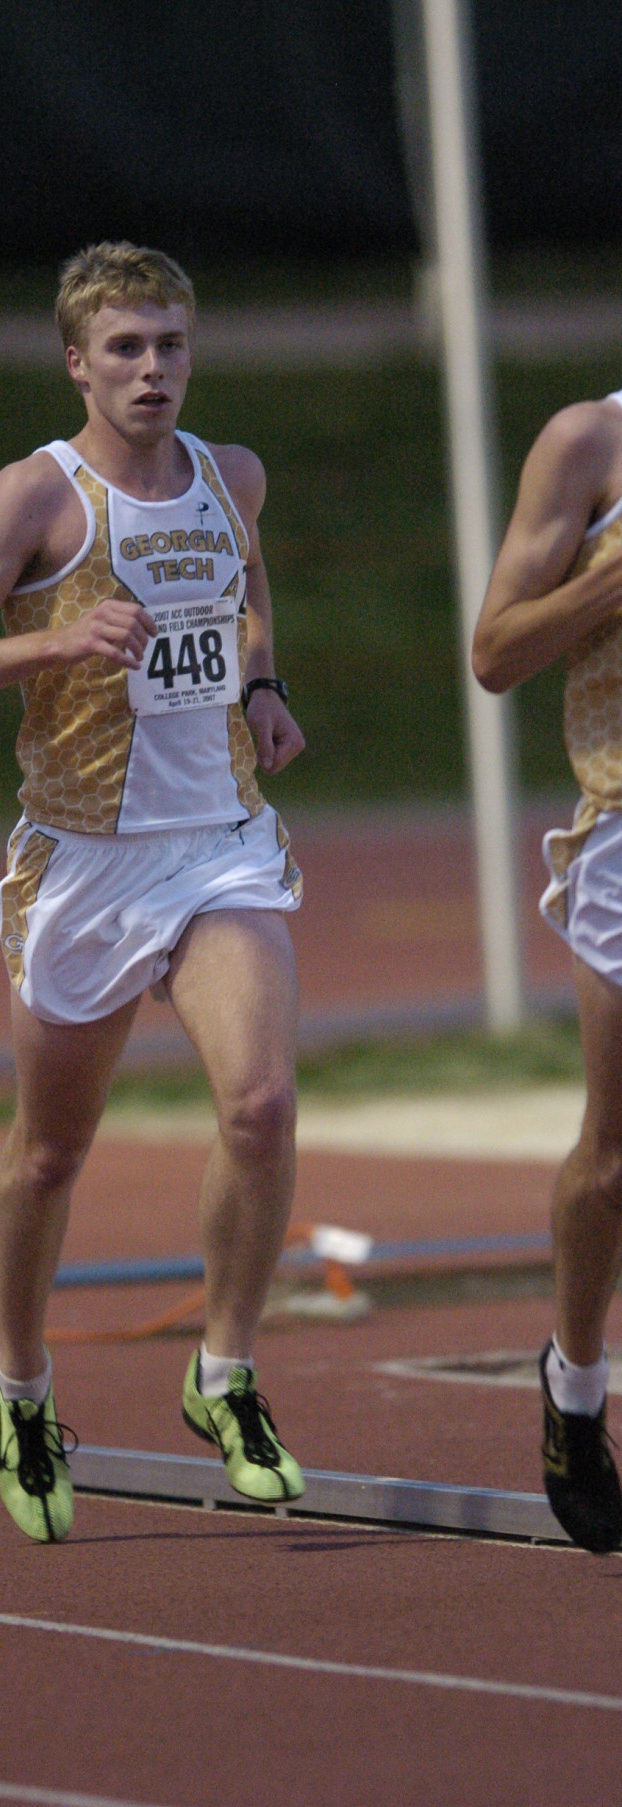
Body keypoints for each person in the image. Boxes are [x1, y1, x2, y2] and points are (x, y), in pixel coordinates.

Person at [0, 242, 306, 1542]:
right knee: (53, 1147)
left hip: (221, 840)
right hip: (82, 857)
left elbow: (245, 597)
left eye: (170, 345)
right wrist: (55, 636)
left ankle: (224, 1370)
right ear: (78, 363)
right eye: (124, 349)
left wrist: (261, 685)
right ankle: (22, 1386)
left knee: (260, 1102)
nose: (151, 370)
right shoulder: (35, 497)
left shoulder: (230, 476)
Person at [472, 390, 622, 1553]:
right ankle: (575, 1387)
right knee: (613, 1155)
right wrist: (601, 587)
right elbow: (495, 652)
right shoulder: (588, 443)